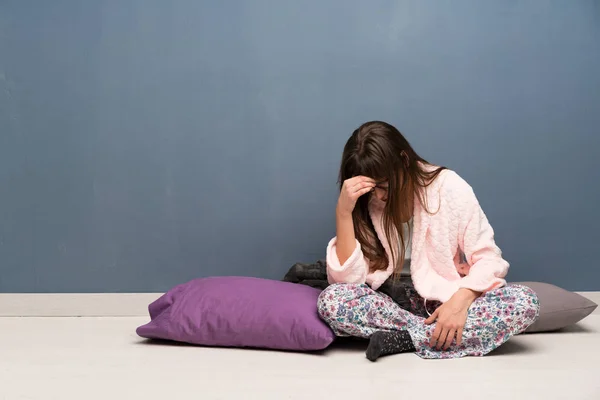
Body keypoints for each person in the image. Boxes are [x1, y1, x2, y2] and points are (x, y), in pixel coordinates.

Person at [317, 121, 540, 361]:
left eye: (383, 185)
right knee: (332, 300)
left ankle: (404, 339)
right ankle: (428, 336)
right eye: (372, 189)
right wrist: (343, 212)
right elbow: (347, 282)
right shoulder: (362, 202)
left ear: (404, 161)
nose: (379, 196)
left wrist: (459, 302)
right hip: (387, 303)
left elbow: (488, 259)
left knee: (525, 301)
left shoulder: (449, 187)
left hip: (443, 299)